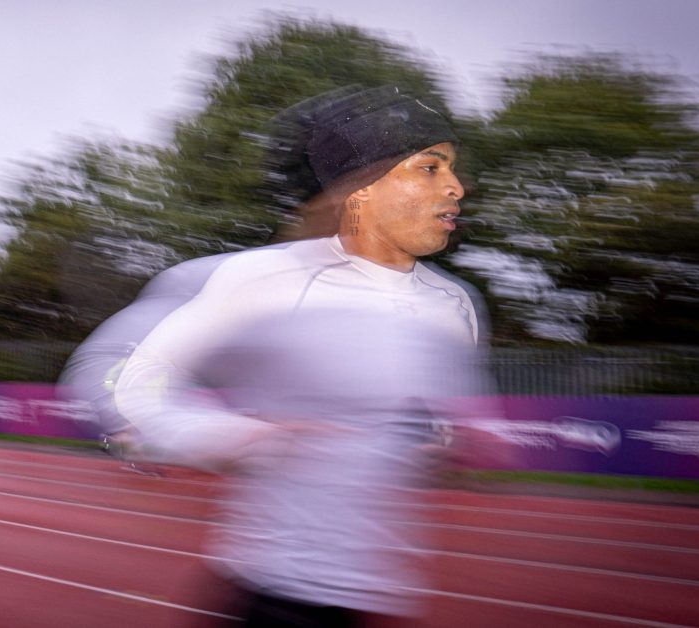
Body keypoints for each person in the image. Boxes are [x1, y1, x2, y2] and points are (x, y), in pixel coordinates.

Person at [100, 85, 499, 627]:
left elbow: (449, 423)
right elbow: (120, 369)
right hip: (273, 587)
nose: (454, 187)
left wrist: (462, 442)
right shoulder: (253, 282)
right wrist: (227, 435)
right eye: (424, 170)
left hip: (374, 594)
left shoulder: (451, 305)